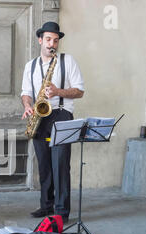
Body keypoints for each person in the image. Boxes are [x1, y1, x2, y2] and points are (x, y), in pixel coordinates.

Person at [21, 22, 84, 223]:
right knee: (45, 165)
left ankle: (61, 211)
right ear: (40, 40)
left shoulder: (68, 61)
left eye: (55, 40)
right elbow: (25, 93)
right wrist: (28, 106)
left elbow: (79, 91)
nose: (52, 44)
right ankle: (46, 205)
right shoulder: (30, 66)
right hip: (40, 117)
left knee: (61, 164)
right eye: (48, 39)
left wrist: (58, 92)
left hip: (61, 114)